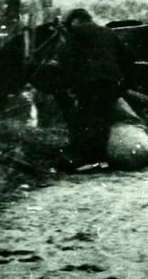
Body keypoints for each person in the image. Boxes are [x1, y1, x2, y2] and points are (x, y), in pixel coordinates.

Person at [56, 8, 130, 163]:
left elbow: (64, 54)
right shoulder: (109, 32)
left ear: (75, 21)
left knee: (86, 118)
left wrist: (70, 80)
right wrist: (121, 79)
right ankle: (99, 158)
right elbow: (129, 57)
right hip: (111, 83)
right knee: (103, 120)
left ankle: (86, 158)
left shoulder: (77, 32)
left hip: (89, 83)